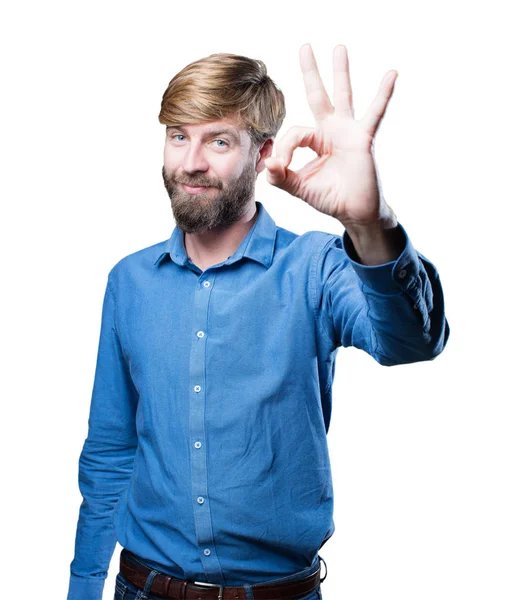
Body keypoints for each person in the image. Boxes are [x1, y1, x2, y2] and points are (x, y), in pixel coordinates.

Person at [67, 44, 450, 600]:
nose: (191, 162)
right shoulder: (129, 282)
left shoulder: (317, 268)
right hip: (142, 589)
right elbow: (110, 450)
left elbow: (412, 341)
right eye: (179, 135)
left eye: (218, 141)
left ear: (262, 152)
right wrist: (82, 587)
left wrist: (371, 223)